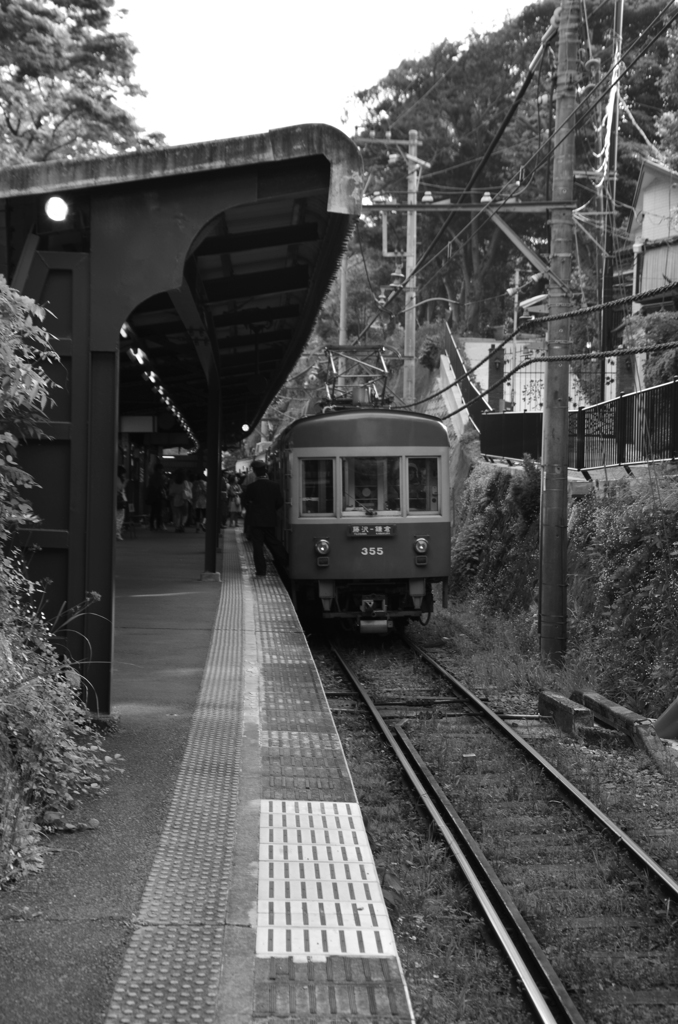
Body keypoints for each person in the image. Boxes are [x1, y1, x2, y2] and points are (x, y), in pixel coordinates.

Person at [243, 462, 288, 576]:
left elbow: (245, 503)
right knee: (273, 542)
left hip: (255, 521)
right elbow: (279, 502)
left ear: (255, 472)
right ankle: (286, 561)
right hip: (270, 520)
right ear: (265, 471)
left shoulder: (251, 487)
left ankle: (261, 570)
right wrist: (271, 510)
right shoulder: (275, 486)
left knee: (257, 546)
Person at [147, 463, 166, 531]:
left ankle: (152, 525)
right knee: (159, 511)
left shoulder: (152, 476)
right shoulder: (160, 477)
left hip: (152, 496)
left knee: (153, 511)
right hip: (158, 496)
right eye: (162, 469)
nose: (162, 470)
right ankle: (158, 525)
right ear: (159, 469)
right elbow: (161, 486)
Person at [116, 467, 128, 540]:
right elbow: (120, 488)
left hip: (117, 500)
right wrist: (125, 483)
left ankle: (117, 532)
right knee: (119, 517)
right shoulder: (118, 479)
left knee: (117, 517)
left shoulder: (115, 478)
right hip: (119, 500)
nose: (124, 475)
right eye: (123, 473)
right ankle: (117, 533)